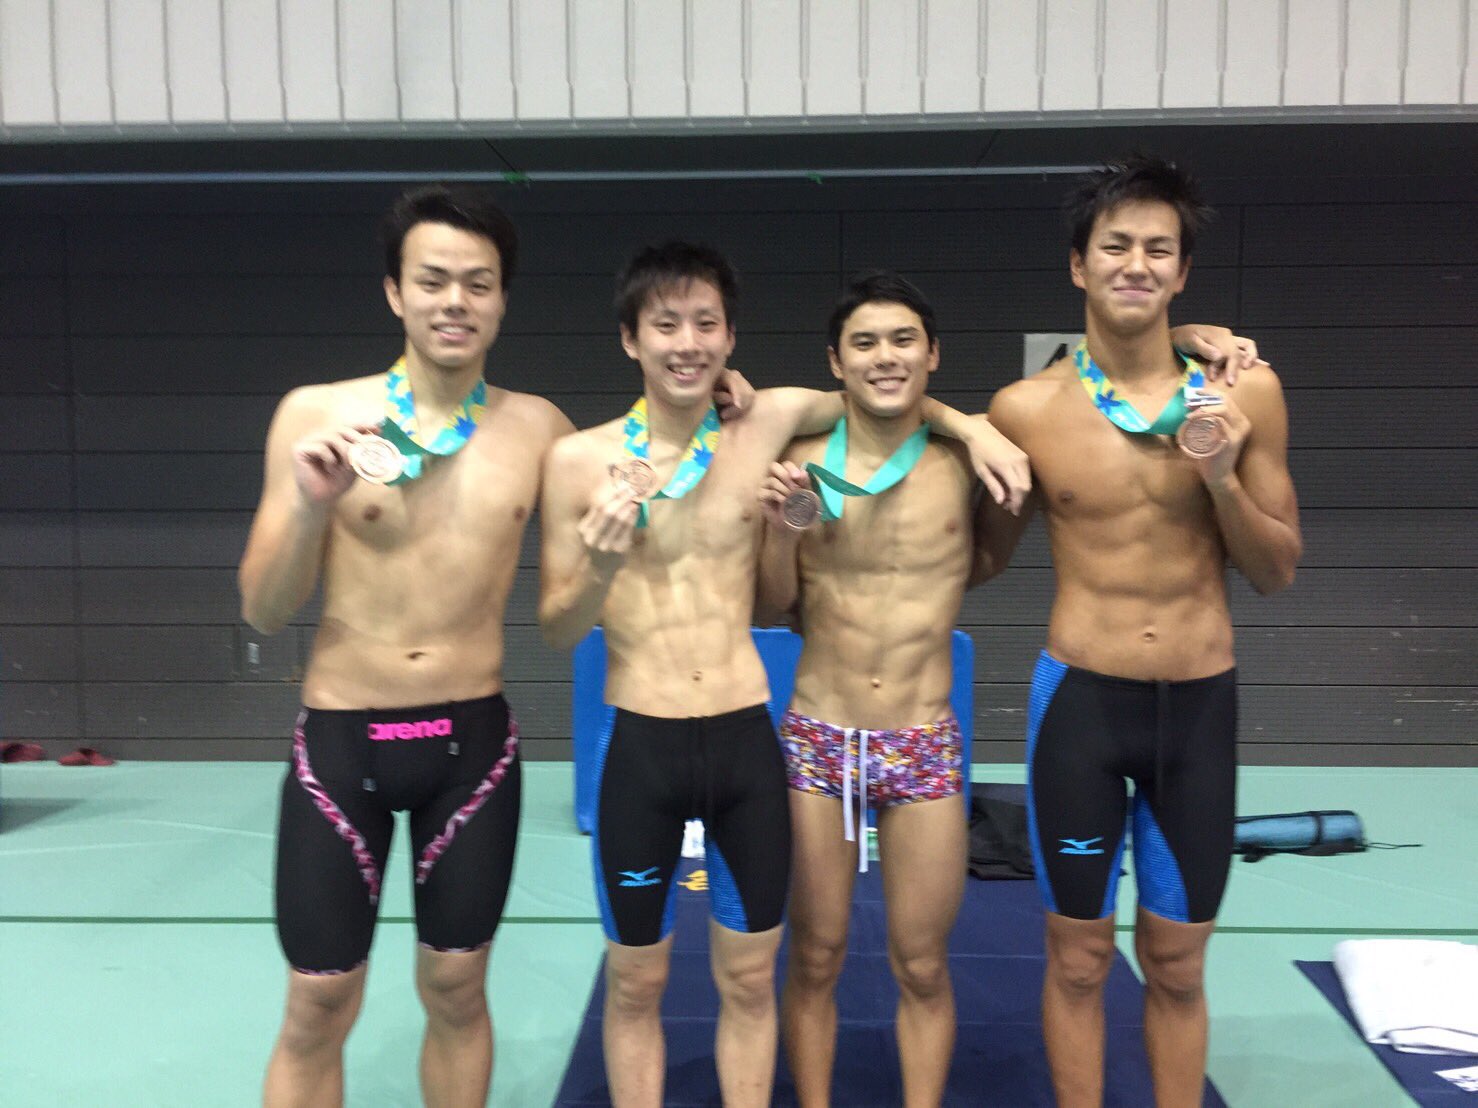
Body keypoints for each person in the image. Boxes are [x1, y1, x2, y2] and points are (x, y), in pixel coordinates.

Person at [537, 242, 1027, 1108]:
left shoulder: (766, 424)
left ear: (731, 338)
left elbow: (889, 396)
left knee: (770, 974)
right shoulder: (578, 460)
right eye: (665, 325)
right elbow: (555, 628)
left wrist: (975, 425)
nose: (687, 343)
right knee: (645, 980)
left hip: (758, 738)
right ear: (629, 338)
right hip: (657, 740)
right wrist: (601, 559)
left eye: (706, 324)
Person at [756, 271, 1260, 1108]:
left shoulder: (974, 454)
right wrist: (783, 531)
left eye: (904, 340)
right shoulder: (799, 457)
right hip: (821, 737)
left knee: (924, 964)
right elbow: (772, 604)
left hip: (923, 740)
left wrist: (1184, 335)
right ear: (836, 362)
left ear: (934, 354)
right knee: (815, 955)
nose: (885, 357)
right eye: (864, 343)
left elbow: (1094, 384)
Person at [239, 184, 575, 1108]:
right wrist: (311, 505)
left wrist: (725, 401)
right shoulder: (317, 415)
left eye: (478, 283)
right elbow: (264, 608)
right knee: (317, 1003)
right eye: (432, 280)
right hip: (342, 739)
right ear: (395, 292)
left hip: (472, 748)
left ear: (502, 300)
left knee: (458, 991)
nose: (454, 301)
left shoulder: (540, 430)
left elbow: (649, 460)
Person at [979, 155, 1301, 1107]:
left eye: (1159, 249)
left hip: (1197, 711)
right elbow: (979, 559)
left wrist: (1221, 477)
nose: (1137, 264)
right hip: (1080, 705)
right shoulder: (1025, 410)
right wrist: (960, 436)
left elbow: (1276, 569)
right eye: (1115, 245)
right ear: (1079, 265)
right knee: (1078, 958)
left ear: (1183, 272)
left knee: (1178, 961)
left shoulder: (1246, 394)